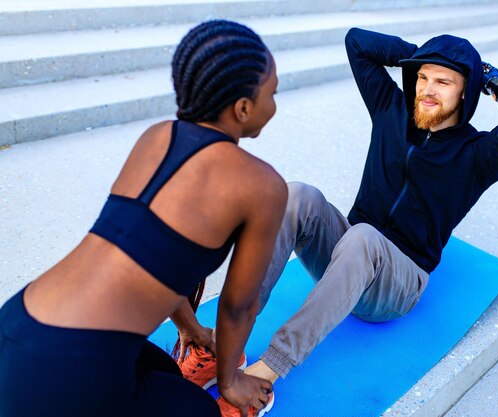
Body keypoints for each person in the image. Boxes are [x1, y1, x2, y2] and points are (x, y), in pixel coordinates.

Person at [0, 19, 285, 417]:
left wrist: (189, 326)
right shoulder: (263, 186)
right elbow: (239, 307)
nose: (275, 103)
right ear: (242, 108)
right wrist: (230, 381)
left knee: (167, 374)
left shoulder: (156, 137)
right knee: (201, 411)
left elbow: (146, 246)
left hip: (18, 324)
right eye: (273, 92)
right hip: (67, 369)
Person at [241, 27, 498, 392]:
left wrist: (488, 79)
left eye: (444, 82)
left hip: (397, 286)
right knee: (296, 195)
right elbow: (357, 41)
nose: (427, 90)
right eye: (422, 78)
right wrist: (428, 53)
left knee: (363, 238)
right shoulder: (391, 108)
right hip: (344, 258)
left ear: (465, 91)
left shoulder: (480, 155)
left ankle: (270, 370)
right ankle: (230, 341)